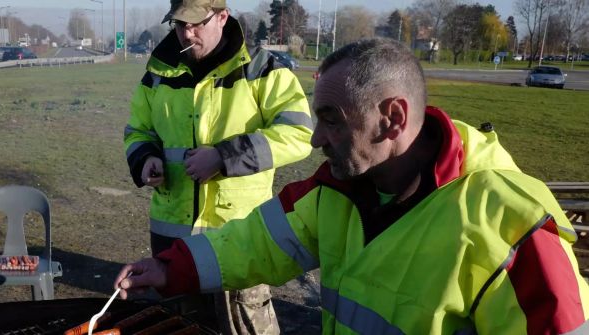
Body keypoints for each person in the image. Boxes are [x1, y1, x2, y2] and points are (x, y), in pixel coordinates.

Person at [117, 38, 589, 334]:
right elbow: (255, 242)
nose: (317, 138)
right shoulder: (337, 189)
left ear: (393, 119)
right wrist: (168, 268)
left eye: (331, 121)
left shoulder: (513, 228)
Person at [122, 0, 313, 333]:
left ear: (223, 17)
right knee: (180, 327)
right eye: (179, 24)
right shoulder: (158, 72)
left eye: (196, 23)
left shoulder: (263, 69)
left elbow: (299, 133)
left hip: (239, 241)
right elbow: (138, 129)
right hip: (173, 242)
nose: (187, 33)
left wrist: (226, 156)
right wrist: (145, 158)